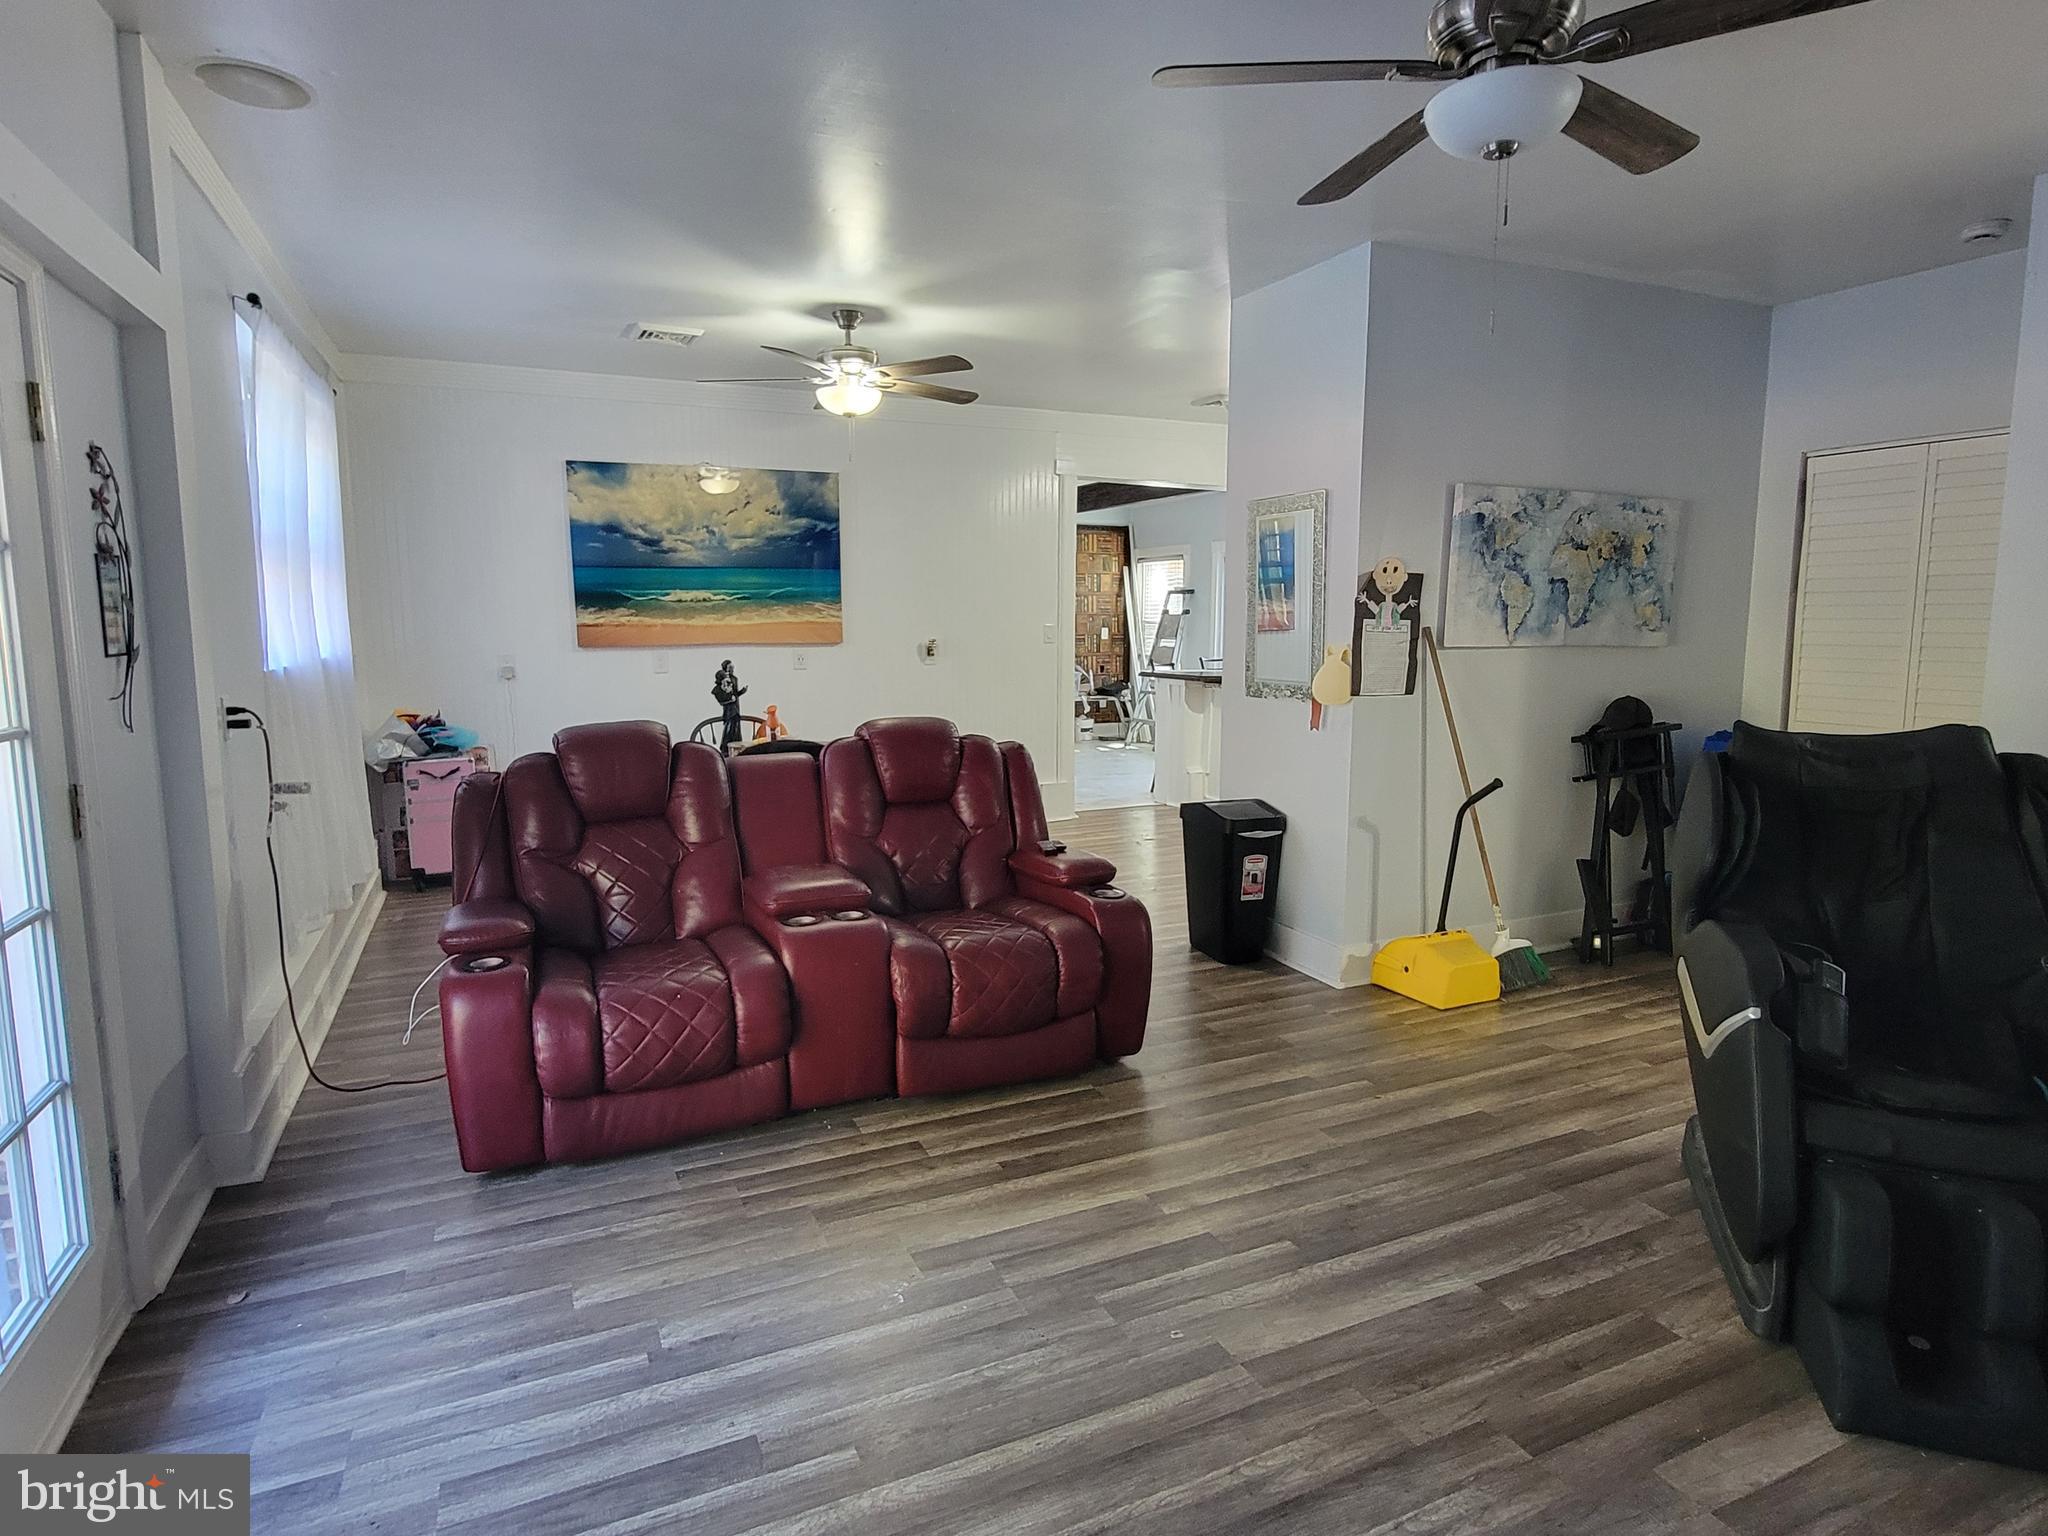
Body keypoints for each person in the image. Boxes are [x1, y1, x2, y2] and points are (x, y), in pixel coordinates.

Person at [711, 660, 746, 751]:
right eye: (730, 667)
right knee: (729, 730)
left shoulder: (733, 680)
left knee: (736, 730)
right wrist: (730, 699)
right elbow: (723, 699)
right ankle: (726, 749)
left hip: (735, 709)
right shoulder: (719, 688)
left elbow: (734, 695)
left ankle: (736, 748)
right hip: (729, 711)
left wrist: (741, 692)